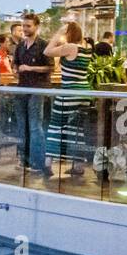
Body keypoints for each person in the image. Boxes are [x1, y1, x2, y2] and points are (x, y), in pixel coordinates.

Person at [44, 22, 95, 176]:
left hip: (70, 92)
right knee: (77, 129)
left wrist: (58, 32)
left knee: (56, 126)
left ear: (69, 33)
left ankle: (47, 163)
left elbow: (47, 51)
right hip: (84, 92)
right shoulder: (87, 48)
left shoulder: (70, 47)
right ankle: (78, 165)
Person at [12, 12, 52, 177]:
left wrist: (30, 68)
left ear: (36, 27)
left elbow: (50, 67)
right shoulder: (20, 46)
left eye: (28, 26)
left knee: (35, 125)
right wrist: (15, 70)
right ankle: (24, 159)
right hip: (22, 87)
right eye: (24, 26)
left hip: (38, 88)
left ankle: (38, 161)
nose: (25, 29)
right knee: (22, 124)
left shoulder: (44, 45)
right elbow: (15, 63)